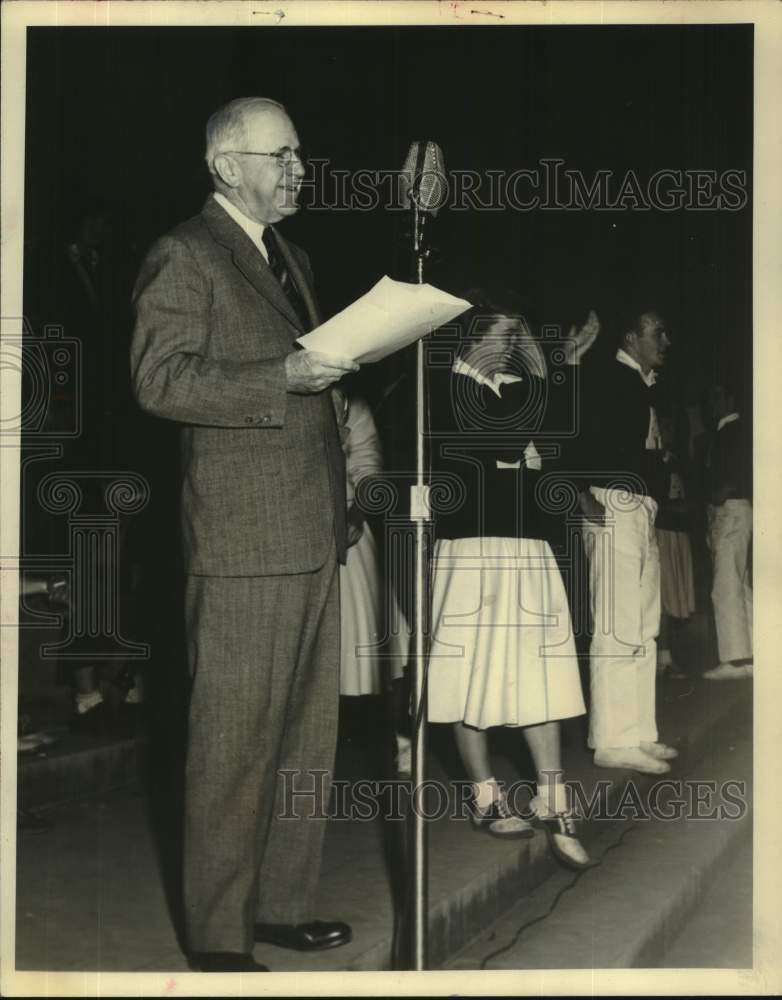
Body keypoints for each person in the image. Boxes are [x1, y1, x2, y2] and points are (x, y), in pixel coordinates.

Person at [130, 97, 359, 973]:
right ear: (228, 165)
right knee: (232, 740)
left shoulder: (290, 256)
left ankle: (282, 904)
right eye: (282, 154)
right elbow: (161, 381)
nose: (299, 168)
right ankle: (220, 934)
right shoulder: (184, 254)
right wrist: (287, 374)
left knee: (306, 735)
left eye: (302, 153)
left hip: (310, 530)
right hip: (242, 538)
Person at [425, 290, 598, 870]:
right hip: (472, 549)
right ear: (473, 341)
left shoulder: (512, 390)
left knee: (541, 670)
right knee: (469, 673)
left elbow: (557, 442)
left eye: (517, 341)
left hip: (526, 545)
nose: (513, 352)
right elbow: (502, 442)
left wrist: (562, 370)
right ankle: (485, 796)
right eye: (503, 340)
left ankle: (553, 798)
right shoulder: (445, 388)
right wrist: (528, 430)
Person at [574, 304, 678, 775]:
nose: (666, 342)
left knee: (642, 625)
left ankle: (639, 732)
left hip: (640, 507)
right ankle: (613, 739)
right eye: (657, 333)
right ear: (631, 338)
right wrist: (577, 492)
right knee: (616, 625)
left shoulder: (643, 387)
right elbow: (571, 436)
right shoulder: (604, 381)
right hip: (611, 503)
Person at [333, 389, 411, 770]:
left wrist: (356, 515)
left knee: (379, 645)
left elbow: (368, 467)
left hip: (348, 532)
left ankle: (402, 738)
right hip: (290, 532)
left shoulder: (353, 402)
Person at [701, 382, 753, 680]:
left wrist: (716, 494)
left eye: (718, 395)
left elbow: (735, 477)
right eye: (710, 398)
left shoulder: (734, 432)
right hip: (734, 511)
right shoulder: (726, 432)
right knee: (740, 585)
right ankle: (749, 657)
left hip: (732, 510)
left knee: (725, 585)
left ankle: (733, 661)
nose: (712, 403)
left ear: (731, 396)